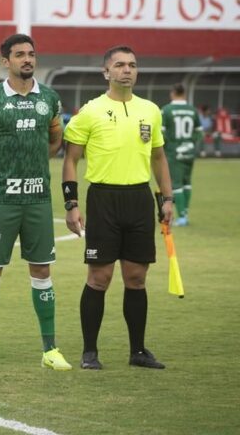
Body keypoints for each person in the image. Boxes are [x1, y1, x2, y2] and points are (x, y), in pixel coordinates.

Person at [0, 34, 71, 372]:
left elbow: (56, 136)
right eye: (20, 54)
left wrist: (39, 161)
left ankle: (50, 349)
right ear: (5, 61)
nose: (27, 59)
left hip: (38, 199)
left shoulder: (50, 98)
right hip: (1, 200)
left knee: (42, 270)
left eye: (31, 54)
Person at [63, 44, 173, 370]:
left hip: (139, 199)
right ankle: (89, 352)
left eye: (133, 65)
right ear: (106, 72)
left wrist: (167, 199)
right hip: (103, 200)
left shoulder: (151, 110)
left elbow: (158, 157)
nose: (128, 70)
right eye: (121, 65)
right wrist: (71, 203)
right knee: (99, 277)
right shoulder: (90, 112)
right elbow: (70, 160)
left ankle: (138, 351)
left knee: (136, 278)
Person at [161, 83, 202, 227]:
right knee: (187, 183)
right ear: (184, 93)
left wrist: (166, 147)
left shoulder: (166, 110)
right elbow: (199, 132)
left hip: (174, 152)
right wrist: (191, 144)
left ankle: (182, 217)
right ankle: (185, 213)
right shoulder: (193, 110)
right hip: (189, 152)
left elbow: (162, 134)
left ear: (172, 93)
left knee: (176, 184)